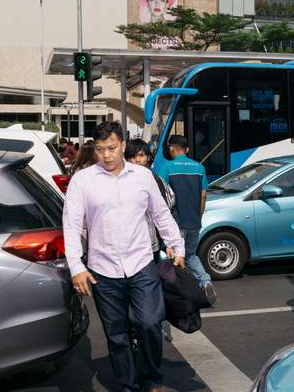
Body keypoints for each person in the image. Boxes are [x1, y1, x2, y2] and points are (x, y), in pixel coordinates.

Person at [63, 121, 185, 392]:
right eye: (99, 149)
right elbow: (71, 225)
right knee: (116, 335)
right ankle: (127, 385)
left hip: (141, 264)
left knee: (150, 323)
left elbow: (161, 214)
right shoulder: (82, 181)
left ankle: (152, 380)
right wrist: (76, 268)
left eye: (112, 148)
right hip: (102, 271)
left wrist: (176, 245)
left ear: (123, 145)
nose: (106, 155)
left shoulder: (142, 177)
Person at [156, 135, 217, 305]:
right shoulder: (199, 167)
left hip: (176, 224)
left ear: (172, 149)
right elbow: (204, 194)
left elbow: (160, 195)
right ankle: (205, 282)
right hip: (194, 222)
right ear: (187, 149)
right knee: (190, 255)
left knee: (172, 258)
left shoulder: (167, 167)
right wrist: (200, 214)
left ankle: (181, 294)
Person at [124, 138, 175, 263]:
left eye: (141, 155)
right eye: (132, 156)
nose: (137, 160)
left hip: (150, 241)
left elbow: (166, 207)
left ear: (148, 157)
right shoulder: (121, 179)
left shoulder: (154, 179)